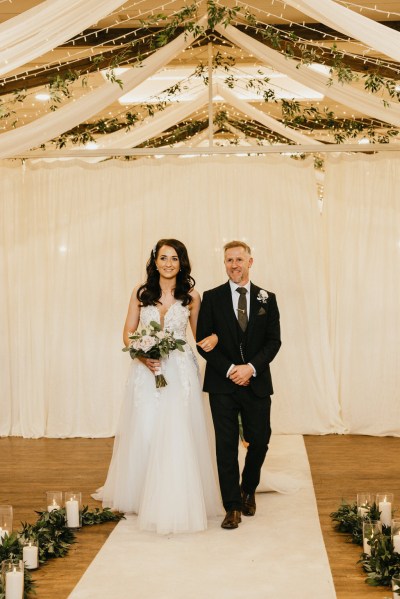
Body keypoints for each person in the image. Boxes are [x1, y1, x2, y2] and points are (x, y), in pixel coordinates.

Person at [93, 239, 222, 534]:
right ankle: (141, 493)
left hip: (180, 370)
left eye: (174, 258)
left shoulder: (191, 296)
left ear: (182, 262)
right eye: (163, 258)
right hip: (146, 370)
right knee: (146, 427)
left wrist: (214, 339)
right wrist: (141, 354)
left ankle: (177, 494)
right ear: (155, 261)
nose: (168, 263)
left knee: (178, 428)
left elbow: (200, 335)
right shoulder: (141, 293)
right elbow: (127, 333)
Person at [196, 240, 281, 530]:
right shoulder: (211, 297)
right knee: (225, 446)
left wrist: (251, 368)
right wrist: (232, 369)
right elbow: (204, 343)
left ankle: (248, 488)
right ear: (225, 263)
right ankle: (232, 505)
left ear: (250, 262)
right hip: (223, 384)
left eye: (239, 259)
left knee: (260, 440)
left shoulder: (267, 299)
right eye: (229, 260)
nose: (234, 264)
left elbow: (274, 341)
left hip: (256, 383)